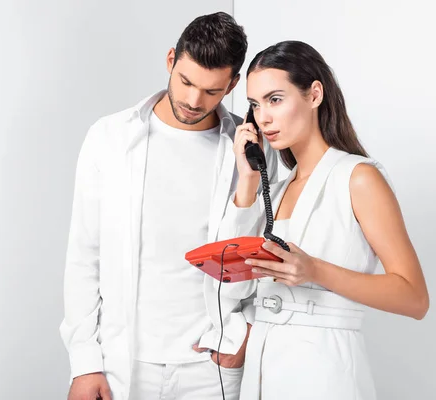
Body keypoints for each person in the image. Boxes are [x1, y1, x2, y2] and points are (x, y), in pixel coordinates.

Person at [60, 12, 278, 400]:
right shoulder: (109, 138)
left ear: (232, 85)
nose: (194, 101)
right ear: (170, 60)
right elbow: (84, 255)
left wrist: (246, 329)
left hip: (212, 369)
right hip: (123, 363)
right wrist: (85, 362)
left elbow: (264, 253)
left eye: (212, 91)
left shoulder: (251, 153)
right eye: (186, 81)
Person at [216, 40, 429, 399]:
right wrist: (248, 180)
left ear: (315, 94)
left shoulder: (359, 178)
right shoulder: (278, 189)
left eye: (275, 99)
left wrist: (314, 270)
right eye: (254, 104)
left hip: (324, 371)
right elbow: (231, 279)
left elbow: (414, 297)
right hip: (263, 371)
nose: (262, 117)